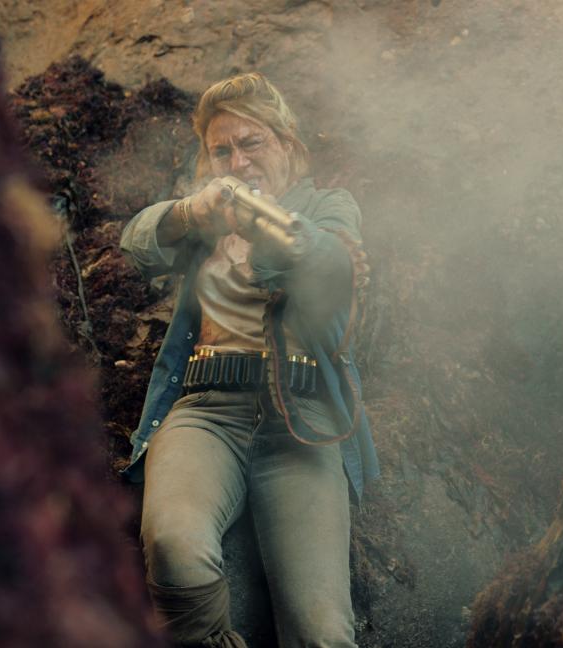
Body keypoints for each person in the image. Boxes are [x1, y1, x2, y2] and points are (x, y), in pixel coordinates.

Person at [119, 72, 378, 648]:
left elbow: (331, 263)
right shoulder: (207, 220)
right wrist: (192, 211)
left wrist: (269, 227)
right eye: (222, 151)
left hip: (302, 421)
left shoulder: (326, 205)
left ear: (285, 144)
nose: (238, 161)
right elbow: (136, 243)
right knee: (173, 543)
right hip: (204, 413)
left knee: (323, 632)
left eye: (251, 143)